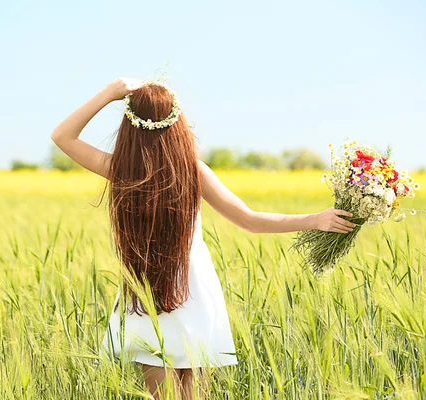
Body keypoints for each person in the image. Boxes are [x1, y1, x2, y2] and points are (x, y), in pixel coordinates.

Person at [50, 78, 355, 399]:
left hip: (146, 291)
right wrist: (315, 219)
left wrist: (109, 93)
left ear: (130, 125)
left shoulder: (122, 169)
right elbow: (249, 220)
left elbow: (62, 136)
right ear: (177, 121)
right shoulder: (193, 170)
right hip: (192, 291)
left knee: (160, 396)